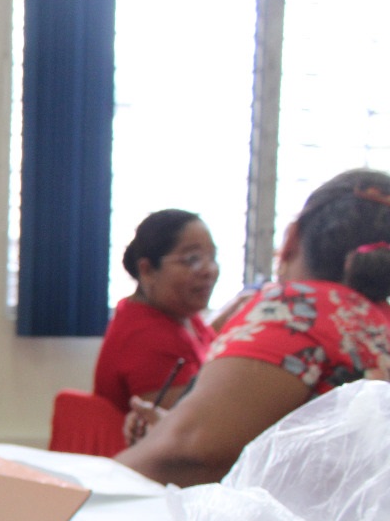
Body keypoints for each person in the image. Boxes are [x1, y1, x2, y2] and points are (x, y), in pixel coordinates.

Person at [118, 168, 390, 486]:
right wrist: (172, 427)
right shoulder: (375, 321)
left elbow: (187, 454)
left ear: (291, 239)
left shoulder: (300, 310)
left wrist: (90, 488)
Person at [91, 209, 219, 414]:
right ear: (147, 270)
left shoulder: (182, 314)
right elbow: (194, 425)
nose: (208, 270)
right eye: (192, 259)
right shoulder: (146, 337)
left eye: (212, 257)